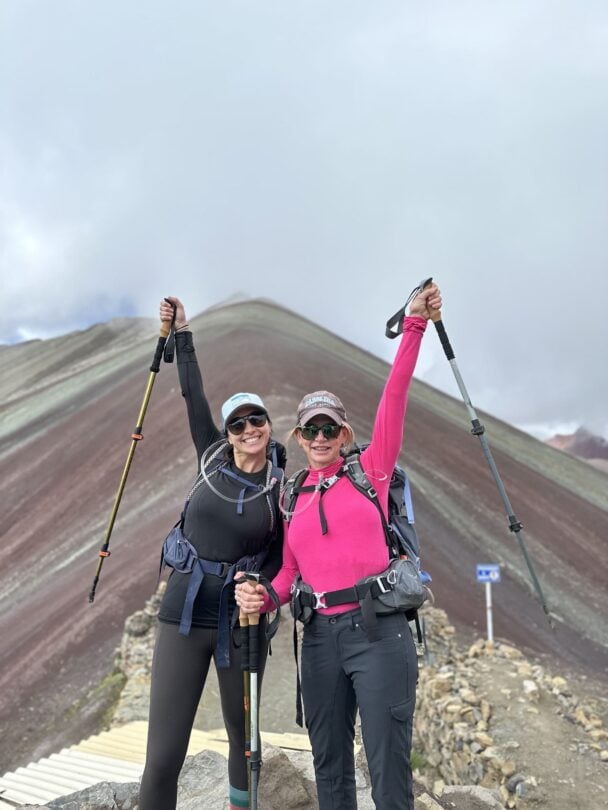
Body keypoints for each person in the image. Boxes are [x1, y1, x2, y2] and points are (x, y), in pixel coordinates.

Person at [236, 282, 442, 810]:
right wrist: (267, 596)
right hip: (321, 639)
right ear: (300, 438)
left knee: (387, 765)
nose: (321, 438)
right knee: (329, 766)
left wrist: (414, 324)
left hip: (379, 633)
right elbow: (288, 570)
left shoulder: (372, 472)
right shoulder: (292, 492)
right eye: (311, 430)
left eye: (330, 428)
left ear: (344, 433)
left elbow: (394, 395)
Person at [139, 296, 285, 810]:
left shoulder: (281, 488)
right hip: (184, 608)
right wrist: (183, 333)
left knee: (244, 741)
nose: (249, 430)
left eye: (257, 420)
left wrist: (261, 588)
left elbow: (280, 556)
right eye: (238, 424)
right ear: (226, 433)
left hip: (240, 619)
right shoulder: (209, 458)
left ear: (269, 425)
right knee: (163, 753)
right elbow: (192, 395)